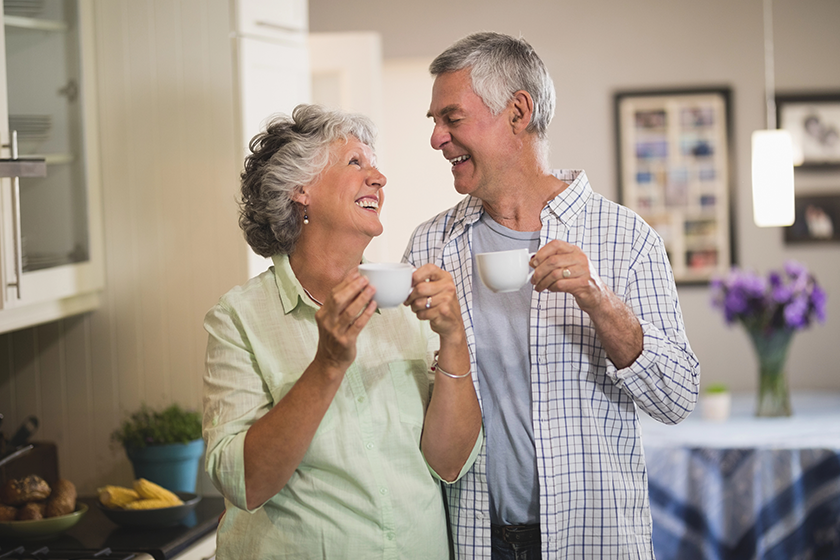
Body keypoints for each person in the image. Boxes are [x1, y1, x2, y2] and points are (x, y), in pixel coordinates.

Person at [405, 32, 701, 559]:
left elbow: (676, 398)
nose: (436, 139)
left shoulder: (626, 238)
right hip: (474, 541)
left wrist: (598, 299)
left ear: (518, 112)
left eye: (451, 118)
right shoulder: (430, 245)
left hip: (594, 541)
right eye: (435, 122)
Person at [202, 104, 482, 559]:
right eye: (356, 163)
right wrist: (327, 364)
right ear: (300, 191)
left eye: (373, 165)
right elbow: (245, 483)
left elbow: (449, 465)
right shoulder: (238, 319)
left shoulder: (408, 302)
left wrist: (454, 341)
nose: (379, 179)